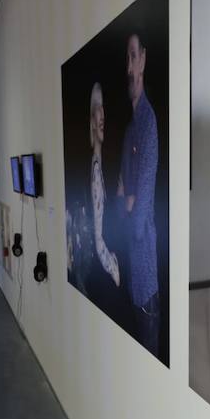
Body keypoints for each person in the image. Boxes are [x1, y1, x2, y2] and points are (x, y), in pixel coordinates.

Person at [116, 31, 161, 357]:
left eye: (134, 56)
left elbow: (138, 217)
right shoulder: (131, 128)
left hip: (146, 285)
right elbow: (121, 207)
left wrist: (130, 202)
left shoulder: (147, 123)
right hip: (132, 280)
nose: (129, 67)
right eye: (126, 58)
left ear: (143, 59)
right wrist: (127, 202)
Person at [87, 83, 121, 289]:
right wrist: (113, 267)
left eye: (103, 108)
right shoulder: (96, 171)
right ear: (91, 121)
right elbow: (99, 240)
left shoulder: (101, 165)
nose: (102, 114)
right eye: (96, 108)